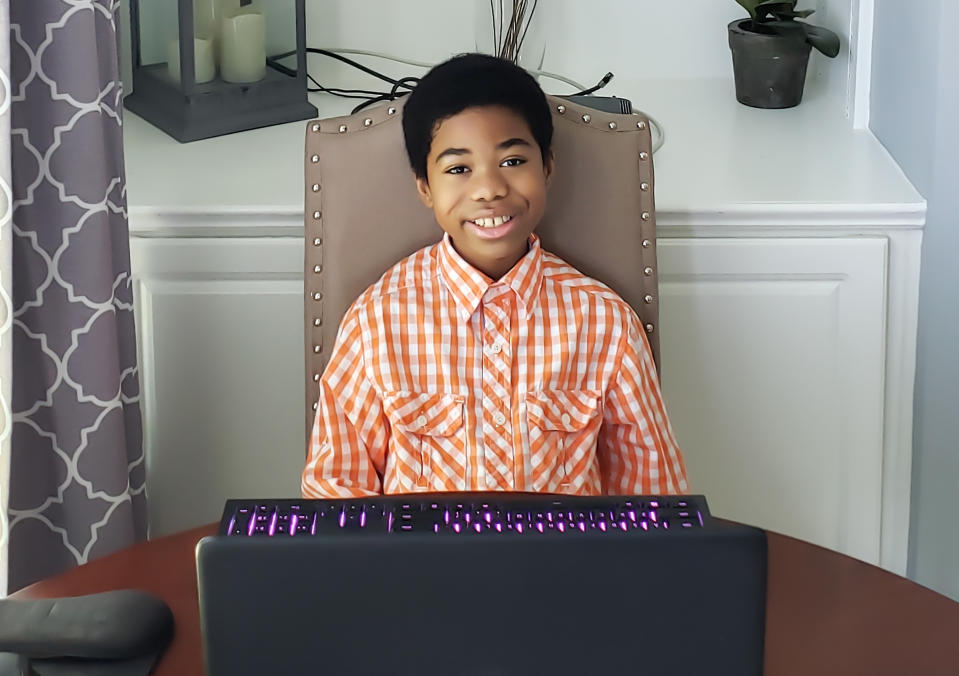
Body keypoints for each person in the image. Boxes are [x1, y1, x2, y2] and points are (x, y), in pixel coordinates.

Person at [301, 53, 687, 498]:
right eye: (458, 169)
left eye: (512, 161)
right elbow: (334, 489)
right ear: (424, 186)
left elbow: (654, 499)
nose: (489, 189)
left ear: (547, 166)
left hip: (569, 566)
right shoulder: (375, 323)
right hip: (420, 567)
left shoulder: (607, 325)